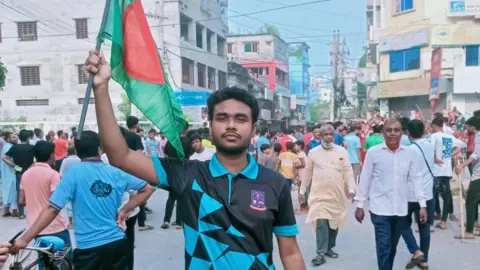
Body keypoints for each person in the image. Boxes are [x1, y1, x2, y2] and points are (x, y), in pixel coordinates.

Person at [86, 50, 305, 270]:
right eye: (222, 118)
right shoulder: (187, 174)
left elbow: (291, 254)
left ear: (253, 128)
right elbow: (120, 156)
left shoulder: (274, 183)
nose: (231, 125)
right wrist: (101, 88)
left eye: (240, 119)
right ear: (210, 127)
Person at [9, 131, 155, 269]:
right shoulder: (115, 172)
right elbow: (148, 188)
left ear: (77, 152)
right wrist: (124, 210)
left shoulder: (73, 174)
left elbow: (52, 208)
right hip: (117, 245)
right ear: (99, 150)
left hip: (89, 250)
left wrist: (25, 239)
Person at [354, 119, 427, 270]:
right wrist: (359, 204)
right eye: (389, 130)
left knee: (391, 248)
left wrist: (422, 204)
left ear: (403, 132)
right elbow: (365, 178)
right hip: (379, 208)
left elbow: (416, 179)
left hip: (400, 209)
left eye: (397, 130)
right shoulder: (374, 153)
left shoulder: (410, 153)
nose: (393, 133)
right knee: (384, 247)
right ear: (383, 133)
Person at [299, 124, 355, 267]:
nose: (329, 137)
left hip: (337, 195)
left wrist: (352, 188)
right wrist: (302, 190)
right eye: (326, 135)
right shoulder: (313, 152)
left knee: (334, 223)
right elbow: (307, 173)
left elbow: (348, 171)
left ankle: (329, 247)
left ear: (334, 136)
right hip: (319, 195)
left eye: (331, 134)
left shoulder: (341, 151)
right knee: (321, 222)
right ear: (321, 136)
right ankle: (321, 252)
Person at [18, 141, 72, 265]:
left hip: (36, 228)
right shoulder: (53, 174)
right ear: (51, 155)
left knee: (43, 263)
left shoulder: (26, 174)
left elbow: (21, 201)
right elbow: (56, 202)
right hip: (56, 227)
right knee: (64, 262)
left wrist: (35, 200)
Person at [401, 120, 435, 270]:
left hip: (409, 195)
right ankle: (424, 260)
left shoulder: (407, 150)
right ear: (423, 131)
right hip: (427, 194)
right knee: (424, 227)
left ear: (408, 132)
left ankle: (416, 250)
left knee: (402, 224)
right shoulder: (430, 145)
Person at [429, 117, 461, 228]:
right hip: (446, 170)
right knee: (446, 195)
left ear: (434, 125)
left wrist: (434, 159)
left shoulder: (434, 136)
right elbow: (459, 148)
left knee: (433, 195)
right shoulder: (448, 137)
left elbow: (430, 150)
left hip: (436, 171)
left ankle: (431, 223)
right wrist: (449, 156)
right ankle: (444, 221)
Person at [455, 116, 480, 239]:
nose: (466, 129)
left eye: (468, 127)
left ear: (473, 127)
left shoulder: (478, 137)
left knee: (470, 202)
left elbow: (476, 155)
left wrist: (462, 164)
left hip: (478, 175)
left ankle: (469, 231)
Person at [3, 129, 35, 220]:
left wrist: (15, 166)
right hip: (30, 172)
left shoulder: (14, 147)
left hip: (19, 172)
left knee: (19, 192)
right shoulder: (32, 147)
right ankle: (32, 211)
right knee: (31, 191)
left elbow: (4, 158)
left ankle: (21, 213)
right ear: (28, 138)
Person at [1, 132, 18, 217]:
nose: (16, 138)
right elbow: (5, 159)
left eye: (16, 136)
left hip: (5, 173)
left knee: (6, 190)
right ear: (8, 139)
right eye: (13, 137)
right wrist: (15, 166)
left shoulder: (5, 146)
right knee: (12, 190)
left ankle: (6, 210)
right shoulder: (10, 147)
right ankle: (15, 211)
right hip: (10, 172)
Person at [294, 141, 308, 215]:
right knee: (304, 191)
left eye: (295, 146)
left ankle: (303, 208)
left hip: (302, 175)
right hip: (304, 175)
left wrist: (295, 167)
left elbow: (304, 164)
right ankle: (305, 207)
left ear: (299, 146)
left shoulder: (300, 155)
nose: (294, 147)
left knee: (301, 192)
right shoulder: (302, 153)